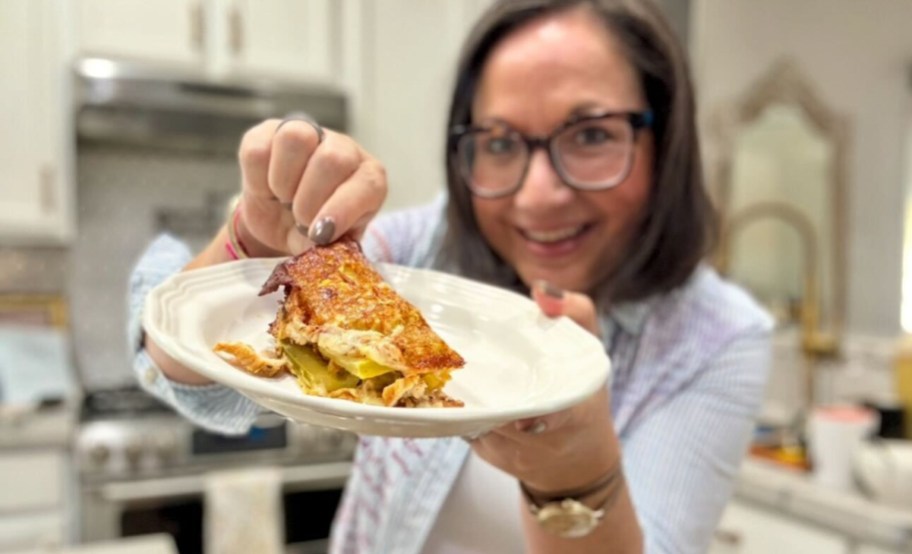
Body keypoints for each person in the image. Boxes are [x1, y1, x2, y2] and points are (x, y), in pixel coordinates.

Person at [128, 0, 773, 552]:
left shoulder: (717, 339)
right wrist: (257, 241)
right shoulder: (428, 247)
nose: (539, 196)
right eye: (498, 143)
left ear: (667, 143)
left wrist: (576, 479)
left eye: (592, 135)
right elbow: (197, 383)